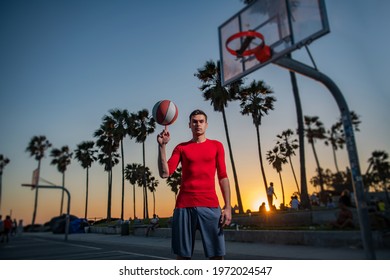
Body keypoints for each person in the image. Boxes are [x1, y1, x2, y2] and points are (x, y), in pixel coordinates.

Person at [157, 109, 232, 260]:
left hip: (211, 206)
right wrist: (162, 146)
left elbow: (223, 177)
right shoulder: (181, 148)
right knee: (183, 258)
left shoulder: (217, 146)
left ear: (206, 124)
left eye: (201, 121)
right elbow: (165, 173)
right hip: (184, 206)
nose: (198, 124)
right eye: (194, 121)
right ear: (189, 125)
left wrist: (228, 207)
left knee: (217, 257)